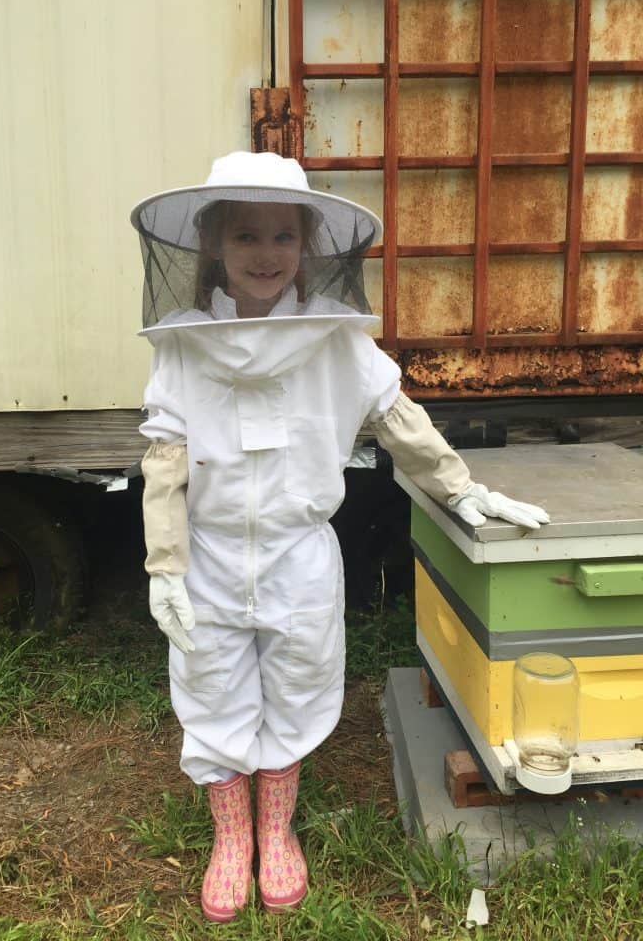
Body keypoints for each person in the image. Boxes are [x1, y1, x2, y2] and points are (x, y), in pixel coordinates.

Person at [130, 151, 549, 922]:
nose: (265, 254)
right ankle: (233, 839)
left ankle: (276, 828)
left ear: (310, 248)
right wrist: (165, 565)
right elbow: (166, 465)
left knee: (297, 679)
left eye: (283, 237)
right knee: (210, 684)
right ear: (216, 245)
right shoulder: (185, 346)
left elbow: (401, 426)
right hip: (211, 555)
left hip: (298, 555)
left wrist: (464, 488)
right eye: (247, 236)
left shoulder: (337, 342)